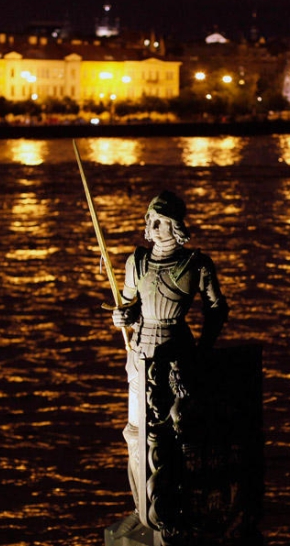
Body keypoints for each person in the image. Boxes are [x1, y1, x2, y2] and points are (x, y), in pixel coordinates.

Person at [111, 190, 229, 544]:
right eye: (150, 219)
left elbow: (217, 309)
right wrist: (122, 316)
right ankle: (142, 509)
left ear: (176, 225)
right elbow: (129, 304)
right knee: (136, 434)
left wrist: (203, 351)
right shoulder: (136, 263)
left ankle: (177, 511)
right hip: (140, 355)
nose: (152, 226)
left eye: (160, 220)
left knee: (177, 436)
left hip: (178, 355)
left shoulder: (197, 265)